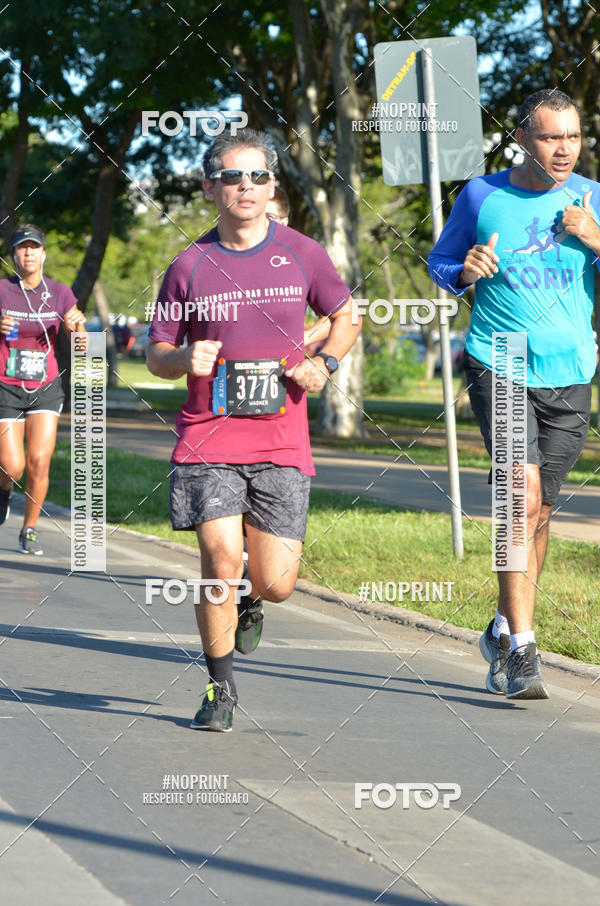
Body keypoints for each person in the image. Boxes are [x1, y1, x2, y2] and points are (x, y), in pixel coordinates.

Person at [147, 128, 361, 732]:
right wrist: (179, 360)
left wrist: (325, 363)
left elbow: (344, 315)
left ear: (273, 186)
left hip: (282, 441)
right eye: (234, 177)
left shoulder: (302, 252)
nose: (248, 187)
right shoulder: (188, 265)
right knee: (220, 559)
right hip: (207, 435)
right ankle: (220, 689)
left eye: (260, 176)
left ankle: (251, 602)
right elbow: (156, 350)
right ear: (211, 186)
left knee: (276, 581)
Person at [428, 89, 598, 700]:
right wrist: (464, 271)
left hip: (572, 367)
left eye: (573, 137)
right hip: (500, 357)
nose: (564, 149)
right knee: (517, 496)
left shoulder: (592, 198)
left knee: (540, 510)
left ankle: (502, 625)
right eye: (552, 137)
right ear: (521, 138)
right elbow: (441, 264)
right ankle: (525, 647)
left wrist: (596, 237)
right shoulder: (480, 194)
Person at [0, 224, 86, 554]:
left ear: (44, 254)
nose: (29, 253)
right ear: (14, 256)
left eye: (34, 247)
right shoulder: (3, 291)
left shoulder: (61, 293)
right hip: (6, 386)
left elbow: (80, 347)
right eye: (22, 248)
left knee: (39, 460)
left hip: (46, 387)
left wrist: (76, 328)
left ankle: (30, 528)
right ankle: (5, 489)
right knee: (12, 465)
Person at [265, 186, 332, 349]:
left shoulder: (302, 259)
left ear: (284, 222)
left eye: (268, 217)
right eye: (255, 217)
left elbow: (338, 315)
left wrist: (304, 339)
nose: (261, 224)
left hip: (285, 369)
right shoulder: (224, 259)